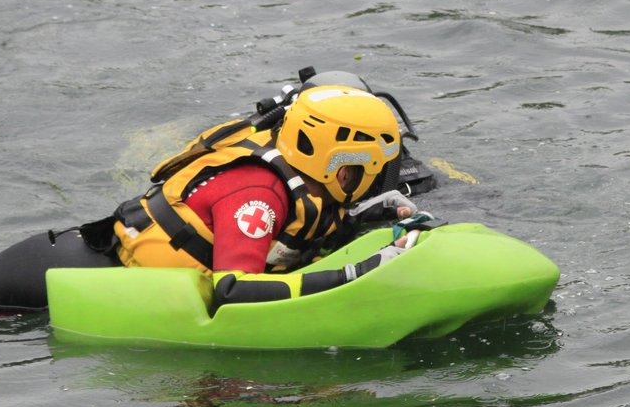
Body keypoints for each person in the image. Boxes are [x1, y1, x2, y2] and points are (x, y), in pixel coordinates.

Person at [109, 82, 424, 306]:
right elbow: (232, 291)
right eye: (366, 168)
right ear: (339, 164)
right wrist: (354, 275)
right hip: (137, 284)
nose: (370, 180)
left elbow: (298, 227)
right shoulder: (259, 195)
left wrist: (364, 214)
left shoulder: (300, 176)